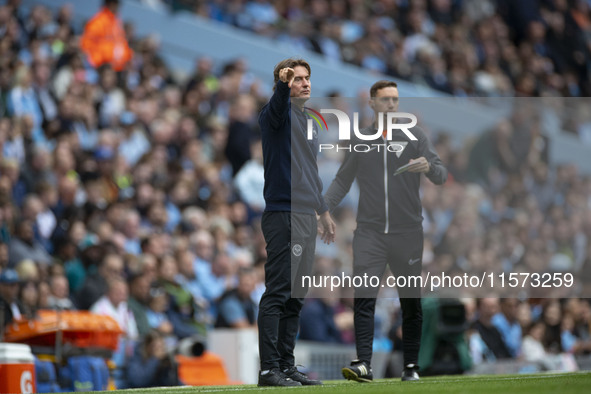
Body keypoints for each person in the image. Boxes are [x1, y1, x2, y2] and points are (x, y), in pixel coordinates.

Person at [324, 80, 447, 382]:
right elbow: (342, 180)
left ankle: (411, 366)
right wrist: (322, 208)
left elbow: (441, 174)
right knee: (364, 297)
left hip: (407, 232)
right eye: (385, 100)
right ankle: (363, 364)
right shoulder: (359, 140)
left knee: (410, 301)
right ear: (372, 104)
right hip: (369, 232)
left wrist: (427, 167)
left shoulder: (415, 136)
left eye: (395, 99)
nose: (391, 105)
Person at [257, 58, 335, 387]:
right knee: (278, 292)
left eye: (307, 78)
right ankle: (269, 369)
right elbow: (277, 105)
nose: (304, 83)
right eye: (297, 79)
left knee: (296, 295)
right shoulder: (276, 114)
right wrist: (281, 83)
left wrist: (323, 210)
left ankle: (287, 366)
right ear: (284, 83)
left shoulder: (308, 121)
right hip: (282, 214)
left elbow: (309, 171)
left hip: (304, 214)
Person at [80, 0, 133, 72]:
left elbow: (121, 43)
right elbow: (86, 43)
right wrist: (96, 60)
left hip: (117, 68)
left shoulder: (116, 22)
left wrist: (128, 57)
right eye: (116, 3)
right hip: (100, 67)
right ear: (110, 3)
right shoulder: (98, 21)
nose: (118, 7)